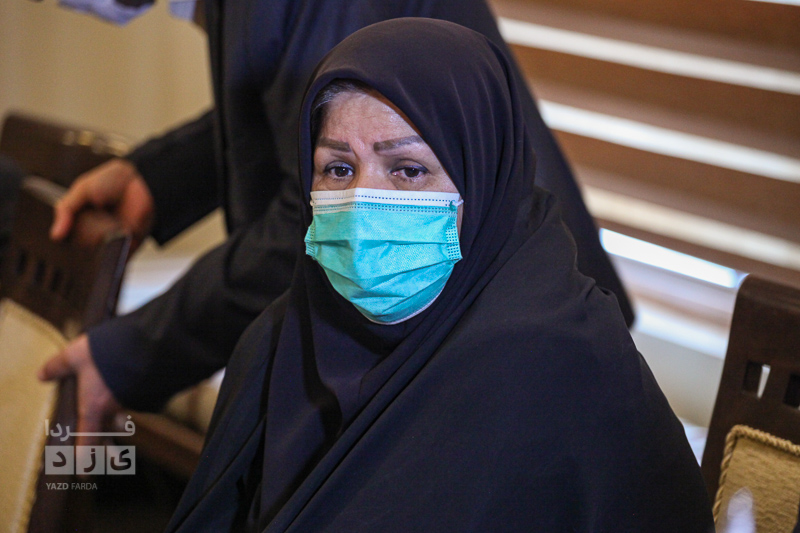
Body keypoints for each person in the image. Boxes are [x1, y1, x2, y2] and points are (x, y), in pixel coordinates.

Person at [163, 18, 713, 532]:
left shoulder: (566, 365)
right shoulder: (279, 342)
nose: (361, 202)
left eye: (408, 170)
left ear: (484, 179)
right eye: (338, 168)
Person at [41, 0, 634, 446]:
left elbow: (334, 182)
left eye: (404, 173)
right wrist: (158, 177)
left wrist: (130, 353)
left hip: (500, 340)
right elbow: (311, 115)